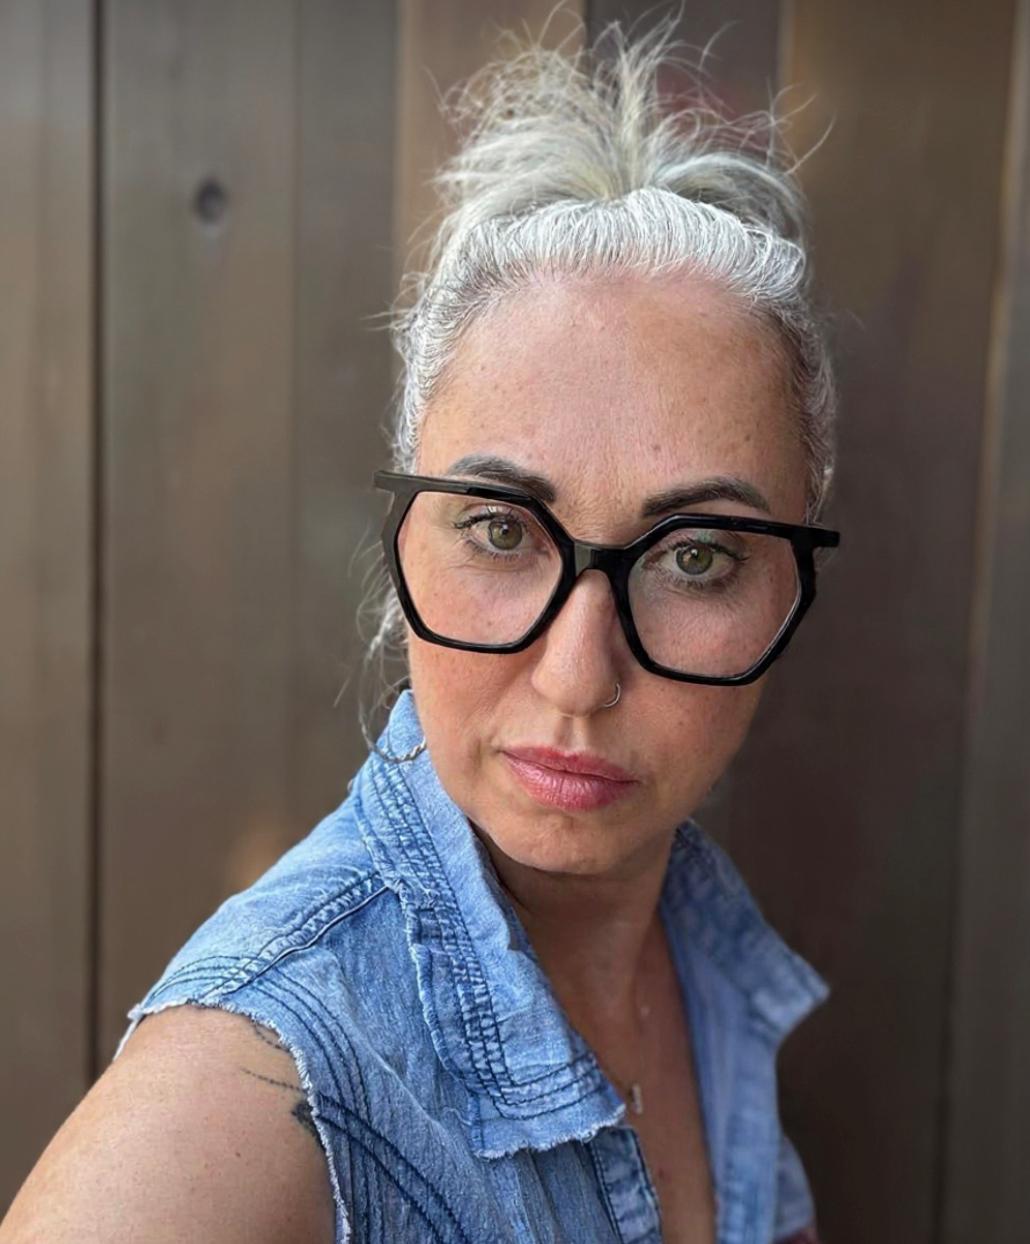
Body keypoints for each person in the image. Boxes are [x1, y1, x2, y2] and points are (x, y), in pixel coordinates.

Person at [1, 19, 840, 1244]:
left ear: (791, 584)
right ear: (403, 539)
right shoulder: (252, 1089)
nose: (578, 675)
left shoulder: (696, 950)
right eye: (501, 530)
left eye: (695, 556)